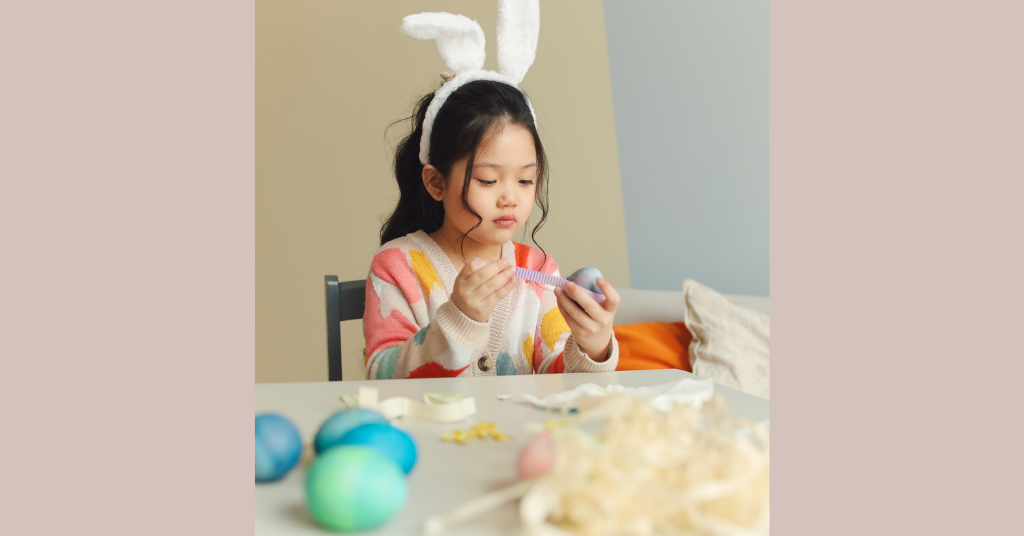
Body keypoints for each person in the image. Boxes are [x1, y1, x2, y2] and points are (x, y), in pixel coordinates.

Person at [362, 2, 620, 379]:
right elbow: (381, 378)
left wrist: (592, 345)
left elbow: (558, 381)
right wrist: (458, 319)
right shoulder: (398, 268)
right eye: (487, 180)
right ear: (436, 182)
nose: (510, 197)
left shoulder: (538, 271)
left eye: (526, 180)